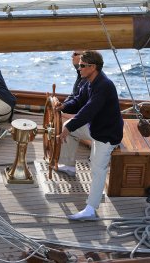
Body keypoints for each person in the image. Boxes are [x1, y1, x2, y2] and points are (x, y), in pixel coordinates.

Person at [56, 50, 123, 220]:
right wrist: (63, 107)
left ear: (93, 67)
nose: (79, 69)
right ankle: (70, 166)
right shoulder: (89, 82)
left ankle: (91, 210)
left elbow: (89, 110)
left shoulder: (104, 85)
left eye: (82, 66)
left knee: (97, 169)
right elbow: (79, 101)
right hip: (95, 129)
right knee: (68, 128)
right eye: (79, 66)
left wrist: (70, 126)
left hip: (107, 134)